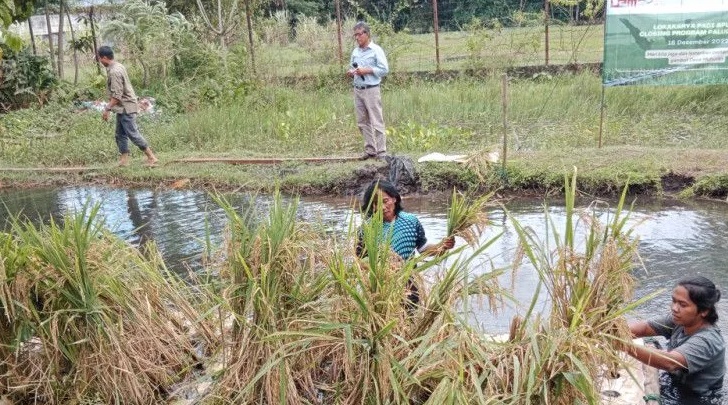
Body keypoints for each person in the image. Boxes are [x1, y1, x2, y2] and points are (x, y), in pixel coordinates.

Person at [622, 276, 724, 404]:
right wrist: (611, 331)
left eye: (682, 304)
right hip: (676, 384)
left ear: (704, 311)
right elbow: (644, 328)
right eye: (674, 301)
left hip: (700, 398)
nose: (674, 308)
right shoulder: (680, 320)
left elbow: (669, 362)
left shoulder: (707, 341)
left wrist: (621, 344)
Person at [355, 179, 454, 306]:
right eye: (375, 203)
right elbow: (359, 262)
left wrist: (442, 246)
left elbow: (423, 248)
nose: (382, 207)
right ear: (370, 206)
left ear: (395, 198)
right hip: (380, 292)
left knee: (411, 321)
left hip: (409, 287)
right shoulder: (366, 229)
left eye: (385, 201)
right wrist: (382, 268)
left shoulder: (411, 221)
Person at [97, 45, 158, 167]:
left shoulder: (114, 71)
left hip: (126, 107)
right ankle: (124, 161)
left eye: (99, 58)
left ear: (104, 57)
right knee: (120, 134)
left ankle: (152, 157)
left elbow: (117, 95)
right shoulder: (117, 66)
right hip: (122, 107)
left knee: (132, 133)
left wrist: (107, 109)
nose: (99, 61)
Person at [347, 21, 389, 161]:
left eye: (359, 34)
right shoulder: (355, 51)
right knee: (362, 122)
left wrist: (368, 70)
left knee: (376, 120)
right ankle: (370, 150)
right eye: (355, 35)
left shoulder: (376, 50)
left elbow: (384, 70)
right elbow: (353, 67)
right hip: (358, 89)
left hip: (371, 90)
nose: (357, 38)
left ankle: (382, 152)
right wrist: (352, 72)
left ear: (366, 34)